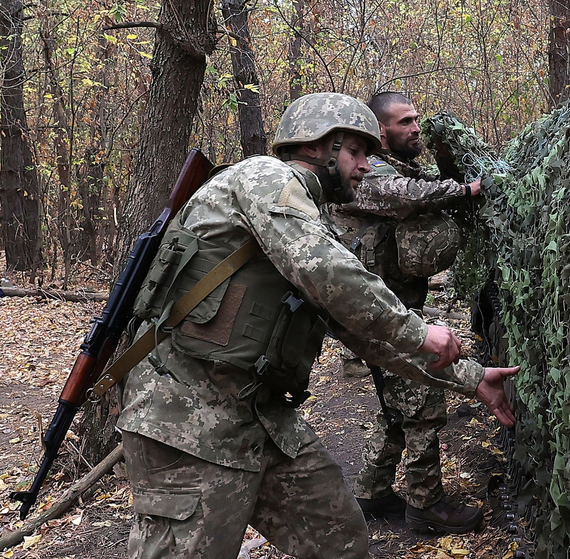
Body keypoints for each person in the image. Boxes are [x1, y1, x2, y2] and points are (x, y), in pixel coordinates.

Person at [117, 92, 518, 559]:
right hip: (184, 419)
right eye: (356, 152)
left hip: (259, 418)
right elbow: (328, 272)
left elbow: (359, 330)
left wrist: (470, 379)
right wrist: (419, 330)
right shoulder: (264, 177)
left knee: (340, 540)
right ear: (316, 146)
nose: (366, 166)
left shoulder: (311, 218)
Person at [322, 92, 485, 534]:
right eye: (405, 121)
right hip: (382, 314)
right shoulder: (368, 176)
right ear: (381, 132)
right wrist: (467, 189)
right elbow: (405, 196)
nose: (416, 127)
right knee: (423, 404)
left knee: (395, 406)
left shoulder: (397, 168)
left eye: (417, 119)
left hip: (390, 307)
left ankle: (372, 491)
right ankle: (426, 505)